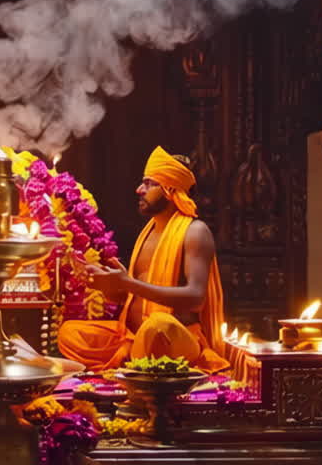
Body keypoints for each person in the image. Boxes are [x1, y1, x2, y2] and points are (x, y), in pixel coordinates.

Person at [56, 146, 228, 372]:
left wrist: (128, 283)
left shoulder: (195, 231)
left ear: (170, 189)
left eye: (149, 183)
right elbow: (130, 295)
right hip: (131, 337)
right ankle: (134, 359)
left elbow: (195, 298)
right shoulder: (149, 230)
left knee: (158, 326)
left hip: (172, 341)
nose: (139, 189)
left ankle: (137, 362)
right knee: (70, 332)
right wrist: (106, 285)